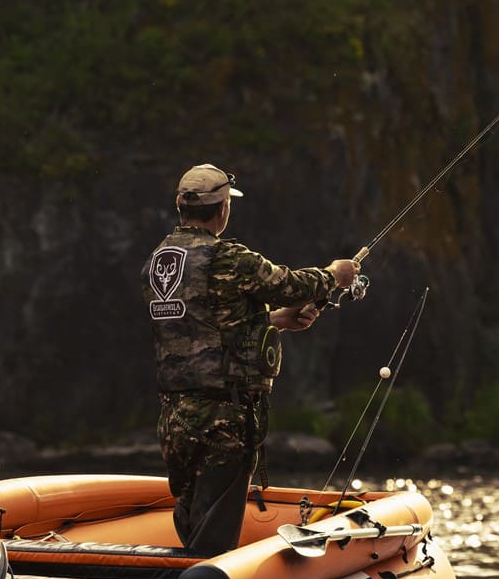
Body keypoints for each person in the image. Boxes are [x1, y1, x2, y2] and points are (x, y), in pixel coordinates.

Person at [141, 163, 359, 555]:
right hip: (224, 419)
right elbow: (291, 285)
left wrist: (275, 322)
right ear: (223, 207)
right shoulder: (229, 257)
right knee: (215, 532)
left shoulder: (158, 262)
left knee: (191, 515)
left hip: (174, 417)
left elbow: (202, 328)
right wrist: (334, 275)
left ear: (180, 205)